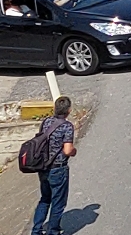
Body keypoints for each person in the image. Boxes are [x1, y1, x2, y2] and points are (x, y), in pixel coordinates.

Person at [31, 96, 74, 235]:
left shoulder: (46, 121)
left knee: (45, 199)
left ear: (55, 108)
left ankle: (36, 230)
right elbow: (67, 150)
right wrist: (74, 151)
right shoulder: (67, 126)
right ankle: (53, 231)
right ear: (69, 110)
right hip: (58, 168)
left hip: (43, 167)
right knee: (58, 202)